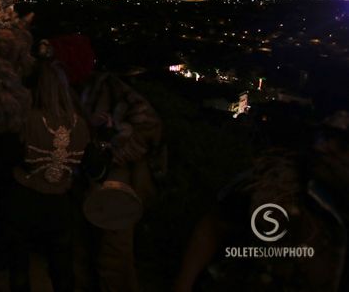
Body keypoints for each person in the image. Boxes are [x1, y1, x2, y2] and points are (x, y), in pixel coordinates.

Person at [173, 110, 349, 292]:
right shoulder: (277, 182)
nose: (322, 148)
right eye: (323, 138)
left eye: (342, 145)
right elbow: (213, 227)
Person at [49, 34, 164, 292]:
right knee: (79, 254)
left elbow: (150, 127)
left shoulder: (110, 88)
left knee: (113, 258)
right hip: (79, 188)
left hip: (115, 191)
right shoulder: (60, 93)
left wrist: (114, 151)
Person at [4, 38, 91, 292]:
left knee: (19, 267)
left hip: (24, 199)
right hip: (60, 204)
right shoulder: (82, 126)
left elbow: (13, 155)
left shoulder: (28, 120)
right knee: (61, 266)